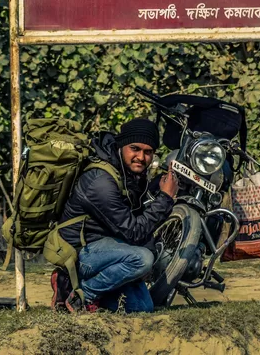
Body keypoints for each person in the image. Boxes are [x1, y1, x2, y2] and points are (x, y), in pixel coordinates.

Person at [51, 118, 178, 313]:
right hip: (80, 253)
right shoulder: (101, 181)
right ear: (121, 146)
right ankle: (81, 293)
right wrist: (166, 198)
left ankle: (76, 288)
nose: (141, 157)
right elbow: (133, 231)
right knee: (142, 259)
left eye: (148, 152)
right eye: (135, 149)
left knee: (142, 307)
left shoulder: (130, 175)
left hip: (108, 250)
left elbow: (137, 220)